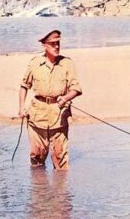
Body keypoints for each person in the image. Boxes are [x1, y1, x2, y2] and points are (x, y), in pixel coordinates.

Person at [18, 29, 82, 169]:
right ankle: (40, 188)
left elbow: (76, 89)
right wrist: (21, 107)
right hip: (37, 116)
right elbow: (24, 86)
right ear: (44, 45)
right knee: (36, 156)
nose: (57, 47)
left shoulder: (67, 63)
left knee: (61, 160)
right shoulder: (34, 63)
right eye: (52, 44)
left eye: (58, 43)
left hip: (59, 116)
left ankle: (61, 190)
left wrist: (65, 98)